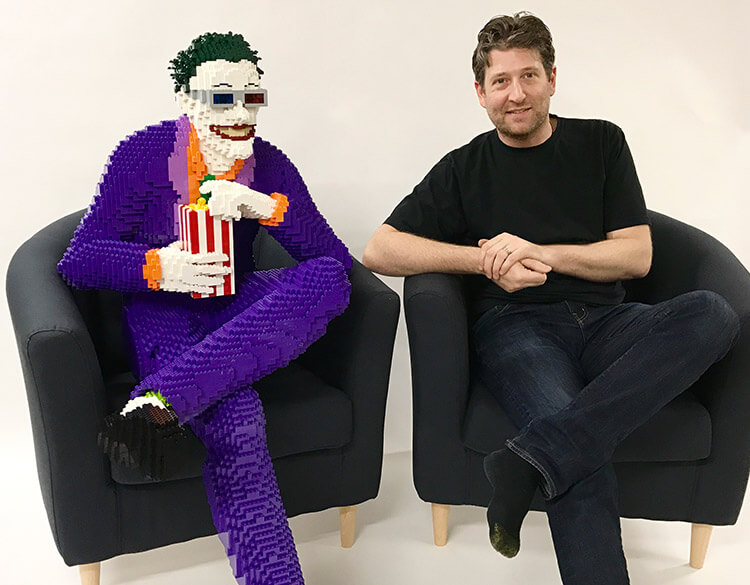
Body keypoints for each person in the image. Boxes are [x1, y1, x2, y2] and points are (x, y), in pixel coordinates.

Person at [363, 12, 739, 585]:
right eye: (501, 81)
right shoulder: (464, 167)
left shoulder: (601, 142)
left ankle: (527, 459)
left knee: (713, 313)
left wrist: (543, 252)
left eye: (529, 76)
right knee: (578, 453)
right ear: (480, 93)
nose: (516, 94)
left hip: (610, 321)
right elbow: (380, 249)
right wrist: (484, 260)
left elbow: (636, 256)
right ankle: (554, 460)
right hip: (516, 328)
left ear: (552, 79)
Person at [58, 32, 351, 585]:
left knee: (329, 281)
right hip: (162, 314)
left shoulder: (268, 164)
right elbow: (79, 260)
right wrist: (158, 267)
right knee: (237, 418)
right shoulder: (143, 153)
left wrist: (265, 207)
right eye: (222, 98)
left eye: (252, 98)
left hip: (237, 304)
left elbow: (333, 259)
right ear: (187, 100)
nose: (240, 114)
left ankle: (161, 401)